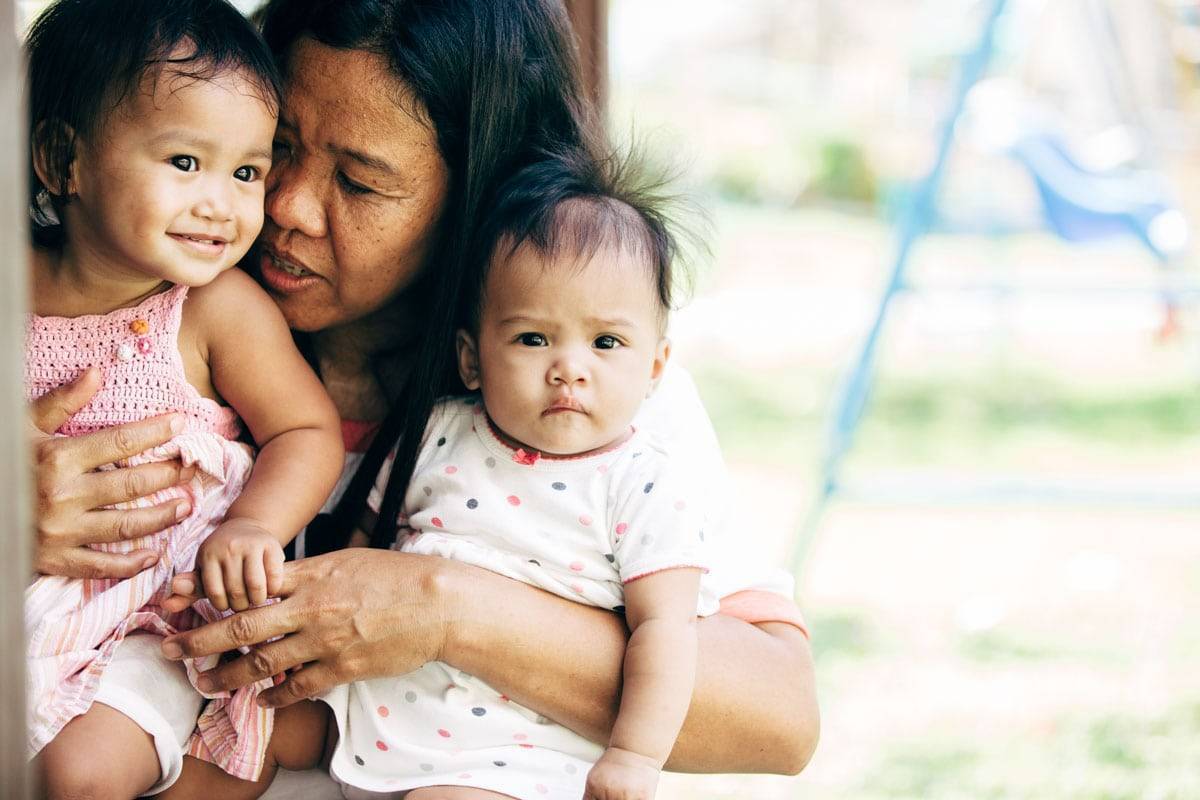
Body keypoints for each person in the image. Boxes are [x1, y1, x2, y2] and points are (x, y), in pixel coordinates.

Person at [26, 0, 819, 795]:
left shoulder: (576, 395)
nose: (286, 207)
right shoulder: (136, 318)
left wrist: (450, 611)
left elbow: (779, 718)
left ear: (475, 197)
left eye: (360, 183)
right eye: (276, 153)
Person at [23, 0, 343, 796]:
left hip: (152, 618)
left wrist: (255, 527)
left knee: (76, 773)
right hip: (26, 593)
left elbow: (305, 429)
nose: (223, 204)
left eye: (246, 171)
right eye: (184, 163)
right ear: (64, 161)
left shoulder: (212, 308)